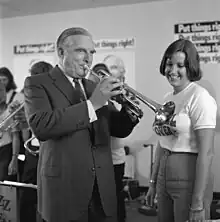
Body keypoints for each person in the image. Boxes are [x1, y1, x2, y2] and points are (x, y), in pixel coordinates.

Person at [24, 27, 139, 222]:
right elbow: (42, 126)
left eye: (91, 52)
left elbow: (117, 129)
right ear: (61, 52)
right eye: (81, 51)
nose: (88, 58)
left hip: (100, 190)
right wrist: (94, 103)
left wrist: (130, 112)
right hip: (64, 189)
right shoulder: (37, 83)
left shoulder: (92, 86)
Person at [145, 39, 217, 222]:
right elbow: (163, 143)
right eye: (169, 64)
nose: (172, 70)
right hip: (164, 175)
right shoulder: (168, 98)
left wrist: (198, 202)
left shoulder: (200, 97)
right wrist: (153, 183)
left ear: (190, 66)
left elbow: (207, 153)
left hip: (188, 176)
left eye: (180, 65)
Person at [20, 61, 53, 222]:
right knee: (28, 191)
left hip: (51, 149)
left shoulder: (55, 96)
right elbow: (26, 125)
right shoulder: (28, 94)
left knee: (49, 194)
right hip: (33, 149)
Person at [0, 82, 20, 181]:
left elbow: (15, 136)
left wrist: (14, 159)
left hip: (6, 152)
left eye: (1, 91)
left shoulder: (10, 111)